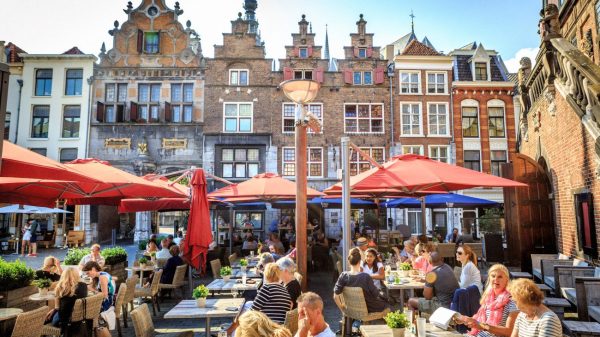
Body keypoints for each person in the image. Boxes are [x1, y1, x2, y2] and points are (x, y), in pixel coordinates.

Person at [455, 264, 518, 337]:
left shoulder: (512, 301)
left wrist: (482, 326)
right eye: (493, 276)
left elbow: (509, 332)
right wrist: (465, 319)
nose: (496, 279)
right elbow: (480, 322)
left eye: (500, 277)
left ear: (507, 280)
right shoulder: (488, 297)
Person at [333, 248, 389, 313]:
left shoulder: (343, 275)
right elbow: (375, 294)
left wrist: (343, 311)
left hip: (350, 308)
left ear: (349, 261)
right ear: (360, 262)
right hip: (369, 308)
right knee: (387, 304)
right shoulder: (365, 276)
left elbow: (335, 296)